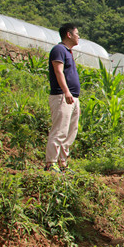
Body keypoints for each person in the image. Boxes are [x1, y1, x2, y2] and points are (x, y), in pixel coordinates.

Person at [44, 23, 81, 173]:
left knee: (70, 131)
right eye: (77, 34)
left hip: (72, 97)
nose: (79, 37)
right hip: (62, 96)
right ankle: (51, 163)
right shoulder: (59, 50)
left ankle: (62, 163)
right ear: (69, 34)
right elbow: (58, 71)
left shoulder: (68, 52)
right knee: (60, 130)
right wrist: (66, 92)